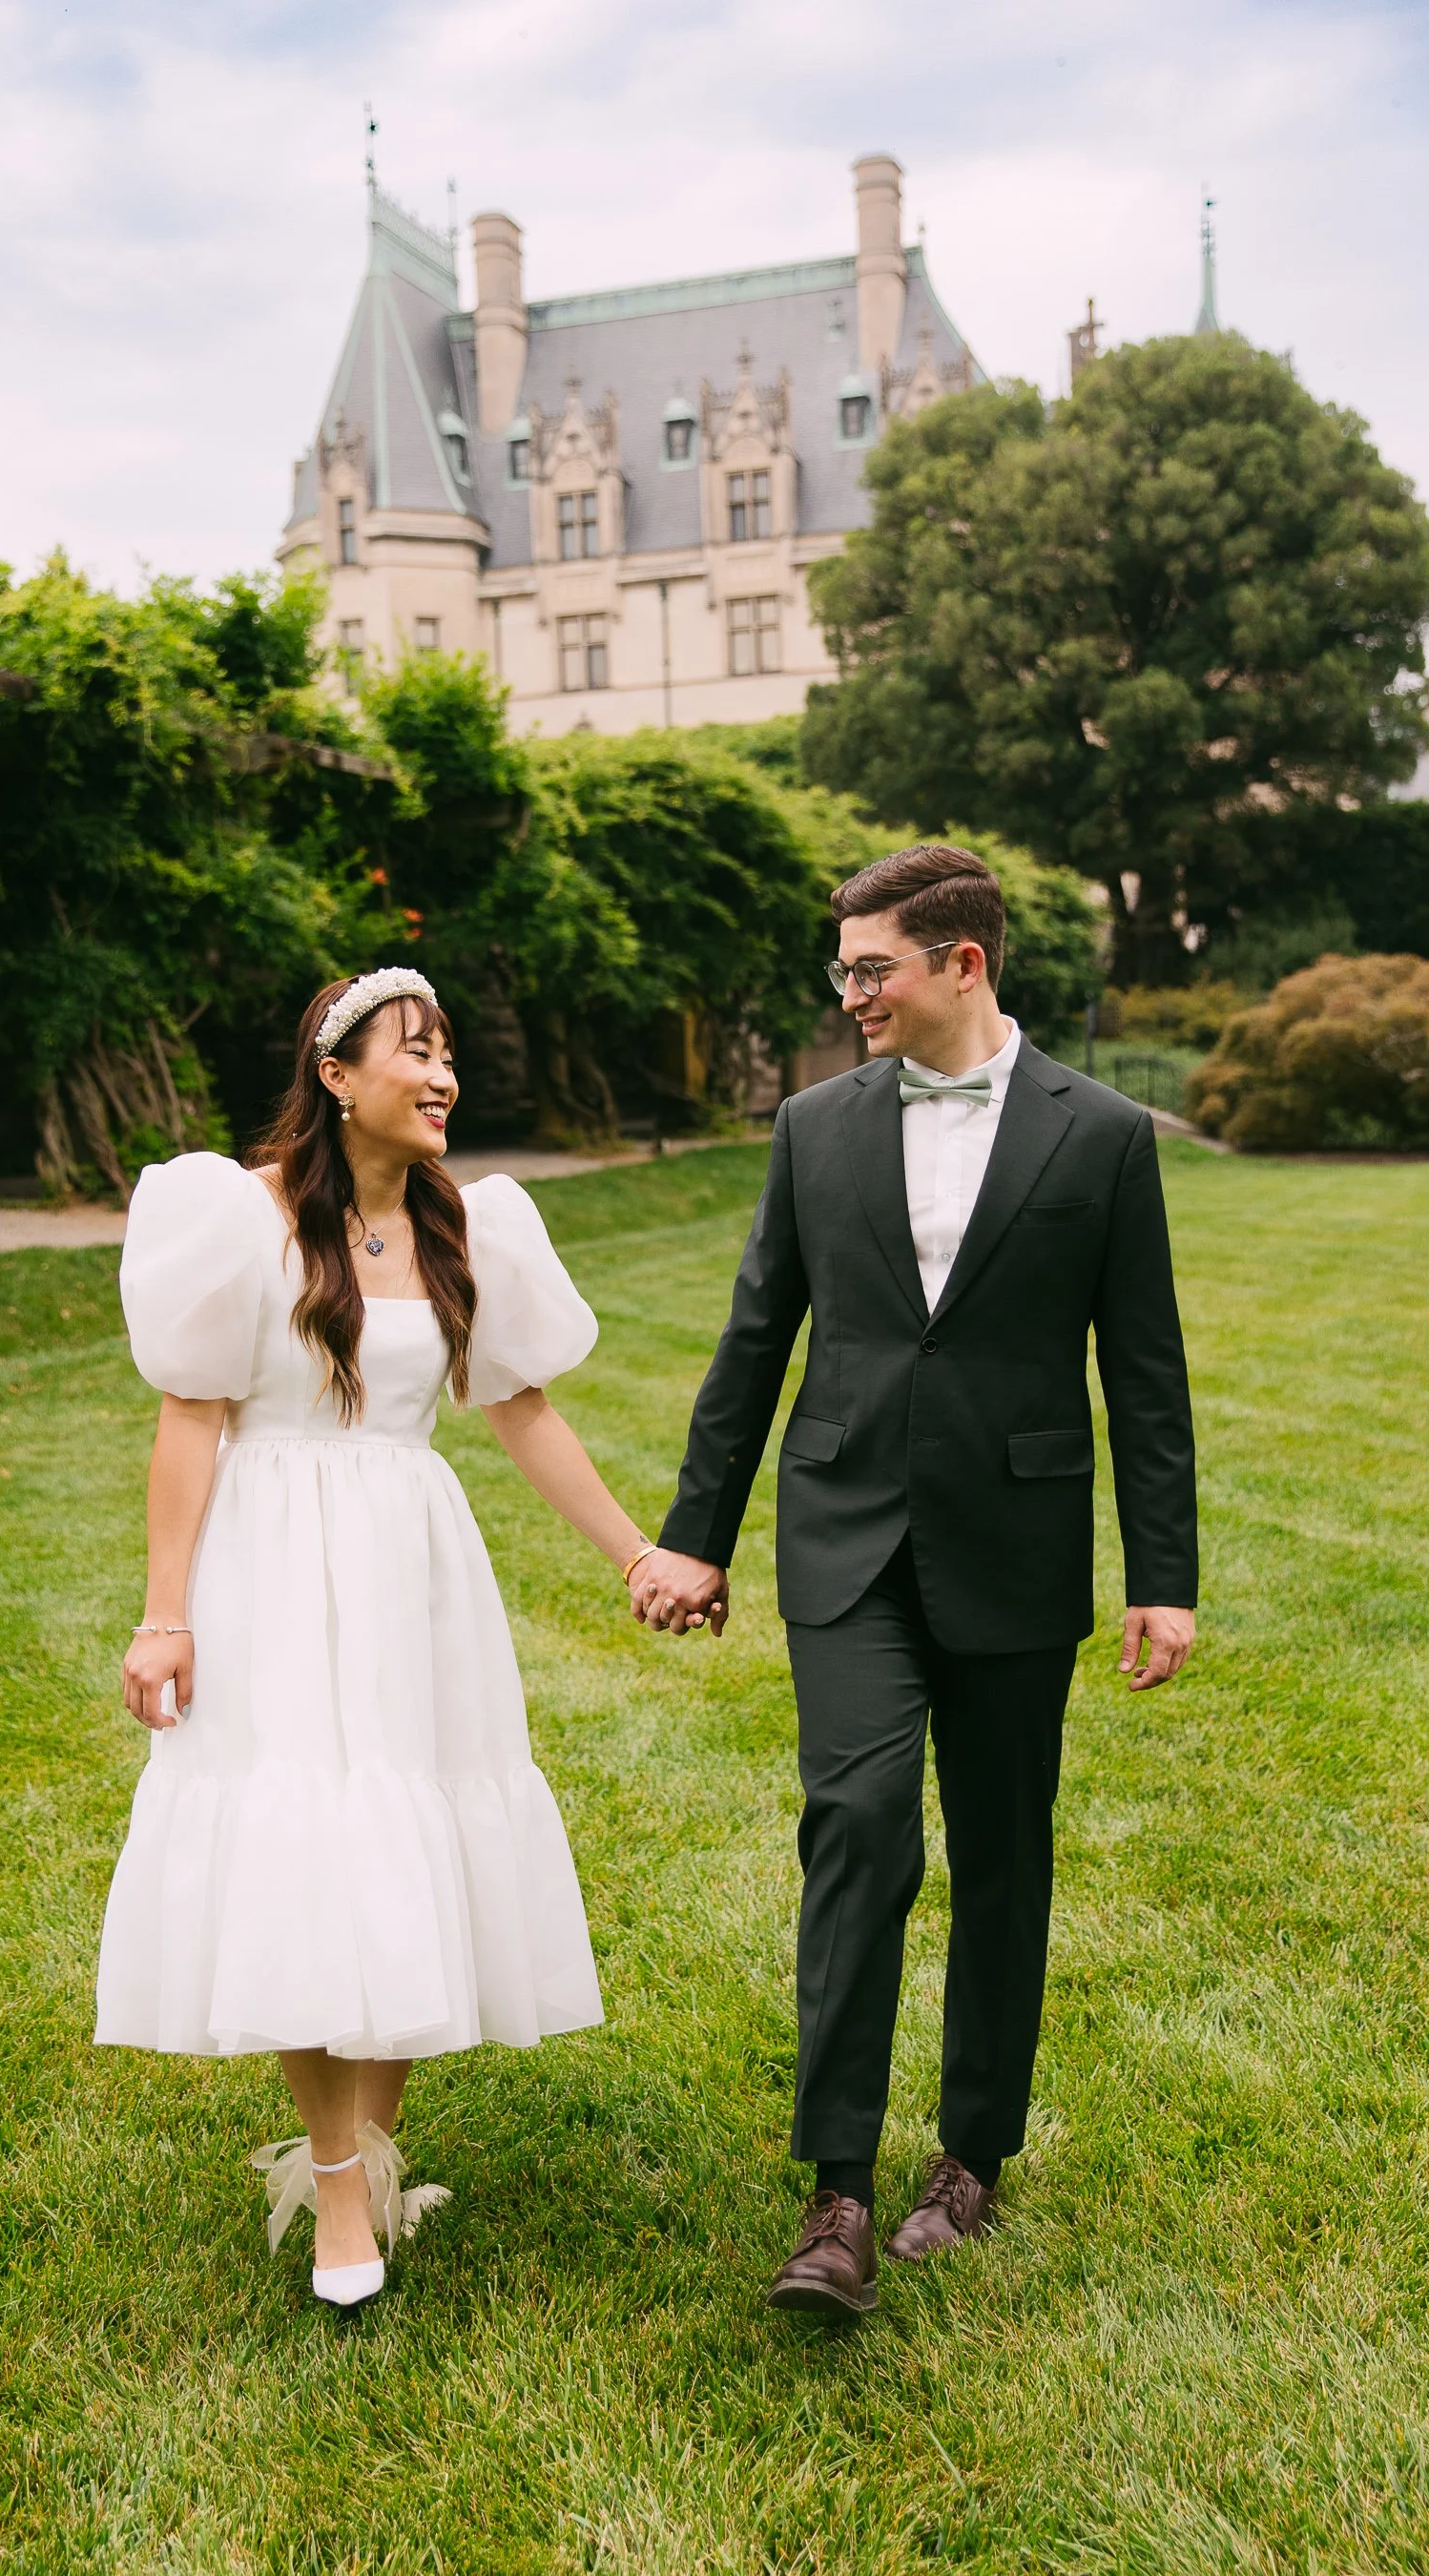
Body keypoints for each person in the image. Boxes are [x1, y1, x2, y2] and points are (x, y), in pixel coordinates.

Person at [635, 845, 1197, 2316]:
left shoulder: (1102, 1135)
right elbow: (757, 1335)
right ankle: (837, 2197)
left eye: (871, 967)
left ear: (963, 962)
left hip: (1015, 1545)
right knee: (863, 1825)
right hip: (847, 1534)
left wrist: (1164, 1573)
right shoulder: (814, 1126)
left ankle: (972, 2158)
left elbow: (1143, 1372)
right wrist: (698, 1531)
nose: (850, 993)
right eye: (843, 969)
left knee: (1005, 1853)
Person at [95, 967, 663, 2312]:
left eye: (451, 1052)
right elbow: (192, 1419)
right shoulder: (245, 1224)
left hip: (414, 1572)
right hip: (275, 1567)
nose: (445, 1074)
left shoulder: (468, 1230)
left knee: (408, 1844)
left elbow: (522, 1411)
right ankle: (339, 2186)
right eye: (416, 1051)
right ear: (336, 1078)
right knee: (308, 1848)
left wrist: (634, 1552)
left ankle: (368, 2147)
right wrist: (165, 1613)